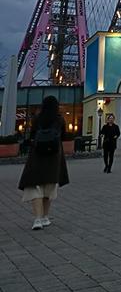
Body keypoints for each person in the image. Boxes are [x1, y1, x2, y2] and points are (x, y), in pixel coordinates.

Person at [18, 96, 69, 231]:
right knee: (49, 186)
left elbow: (31, 136)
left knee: (35, 187)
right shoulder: (60, 119)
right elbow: (64, 136)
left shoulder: (36, 119)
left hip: (37, 155)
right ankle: (45, 216)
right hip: (54, 157)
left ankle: (37, 219)